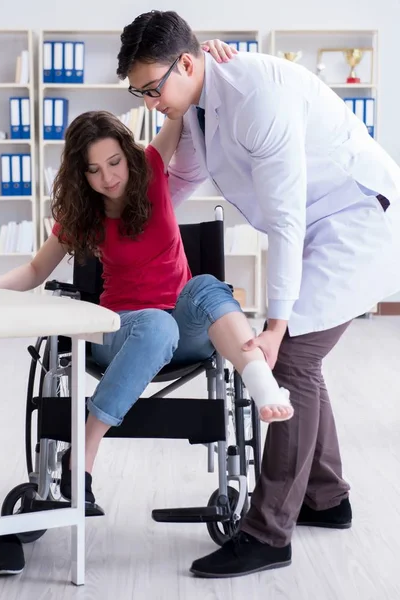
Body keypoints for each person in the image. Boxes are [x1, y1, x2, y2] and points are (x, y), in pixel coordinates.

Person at [0, 42, 293, 576]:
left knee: (204, 286)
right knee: (154, 323)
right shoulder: (81, 216)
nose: (110, 176)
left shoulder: (153, 164)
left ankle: (260, 380)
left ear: (129, 153)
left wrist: (209, 51)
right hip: (120, 330)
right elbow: (36, 272)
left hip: (184, 327)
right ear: (80, 175)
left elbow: (180, 97)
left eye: (115, 161)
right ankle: (83, 460)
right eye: (95, 170)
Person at [117, 10, 400, 579]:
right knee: (305, 363)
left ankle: (269, 534)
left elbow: (288, 219)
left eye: (153, 89)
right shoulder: (197, 97)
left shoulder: (256, 98)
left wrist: (274, 323)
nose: (150, 103)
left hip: (353, 221)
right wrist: (127, 226)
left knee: (292, 357)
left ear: (187, 63)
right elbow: (185, 178)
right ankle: (327, 498)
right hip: (317, 223)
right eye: (138, 92)